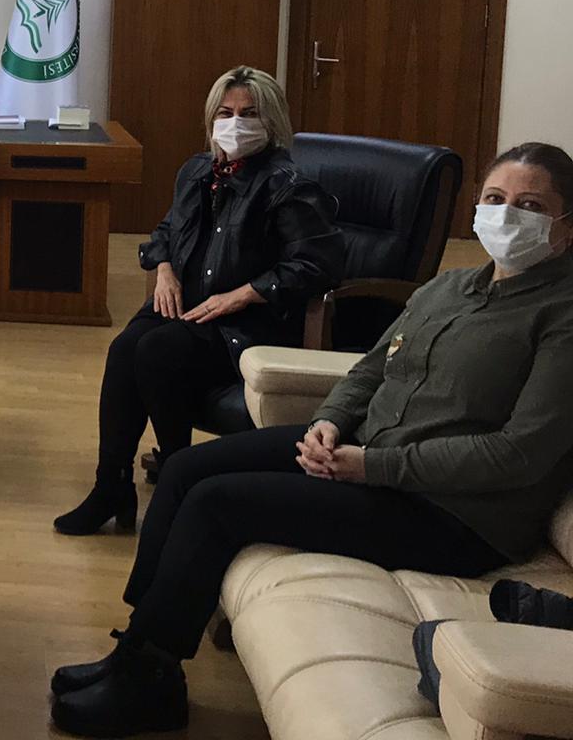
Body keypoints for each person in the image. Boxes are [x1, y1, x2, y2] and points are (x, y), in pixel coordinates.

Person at [49, 141, 573, 738]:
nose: (507, 215)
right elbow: (370, 370)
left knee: (218, 504)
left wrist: (372, 465)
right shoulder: (448, 288)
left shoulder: (561, 316)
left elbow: (517, 454)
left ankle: (151, 681)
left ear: (566, 227)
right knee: (184, 469)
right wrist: (329, 421)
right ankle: (137, 646)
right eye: (495, 199)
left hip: (451, 514)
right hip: (368, 452)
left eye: (530, 206)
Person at [53, 66, 344, 537]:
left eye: (249, 113)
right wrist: (163, 268)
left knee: (156, 350)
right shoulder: (196, 171)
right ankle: (111, 486)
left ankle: (178, 481)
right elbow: (166, 230)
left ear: (271, 122)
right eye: (225, 113)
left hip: (247, 323)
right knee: (125, 348)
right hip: (189, 307)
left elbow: (319, 265)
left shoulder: (288, 185)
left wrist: (243, 294)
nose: (236, 123)